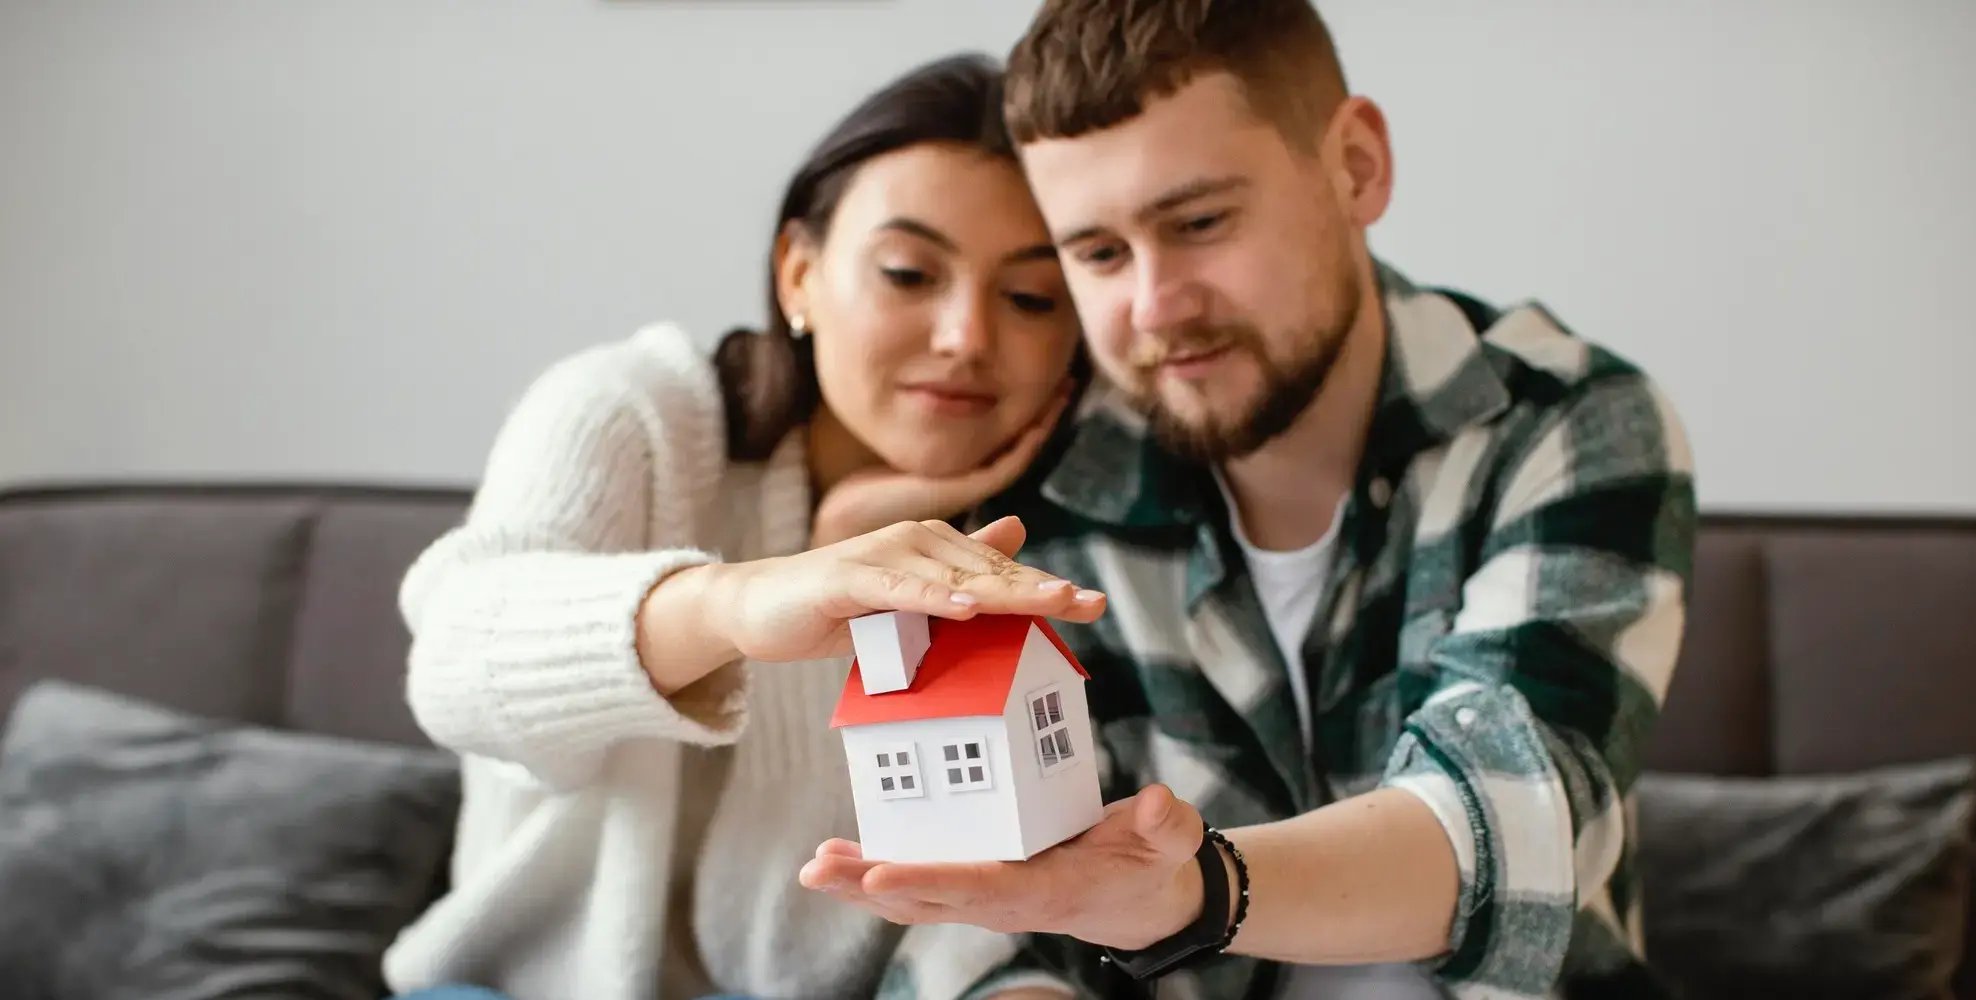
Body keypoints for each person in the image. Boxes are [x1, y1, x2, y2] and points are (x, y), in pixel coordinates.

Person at [800, 3, 1698, 999]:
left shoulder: (1562, 422)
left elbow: (1511, 819)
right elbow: (1001, 920)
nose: (1152, 306)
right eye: (1097, 254)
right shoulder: (1052, 482)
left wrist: (1193, 890)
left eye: (1197, 224)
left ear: (1354, 166)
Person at [383, 54, 1106, 1000]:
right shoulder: (634, 414)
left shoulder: (1074, 537)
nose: (966, 335)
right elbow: (455, 662)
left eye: (1028, 297)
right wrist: (745, 596)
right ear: (798, 273)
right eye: (907, 272)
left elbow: (1014, 892)